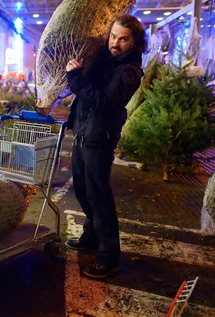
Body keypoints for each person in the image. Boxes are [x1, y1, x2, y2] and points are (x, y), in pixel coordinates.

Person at [64, 15, 146, 279]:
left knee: (99, 197)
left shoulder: (129, 72)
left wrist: (75, 79)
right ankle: (90, 237)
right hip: (83, 134)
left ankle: (108, 257)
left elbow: (103, 101)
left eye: (123, 39)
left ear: (134, 43)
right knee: (83, 191)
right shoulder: (106, 60)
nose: (115, 43)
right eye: (113, 36)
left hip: (99, 138)